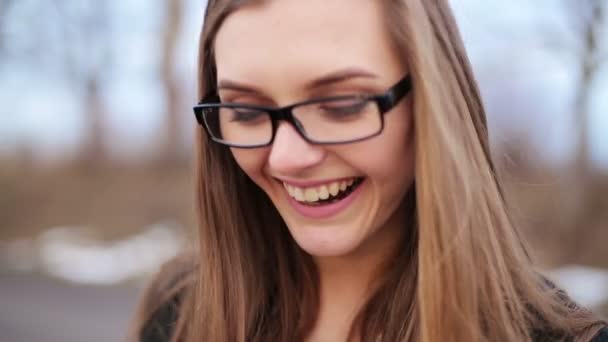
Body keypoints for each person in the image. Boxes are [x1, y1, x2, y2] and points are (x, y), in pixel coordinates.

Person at [131, 0, 608, 341]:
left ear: (430, 102)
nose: (286, 158)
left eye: (340, 105)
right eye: (248, 113)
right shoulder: (179, 311)